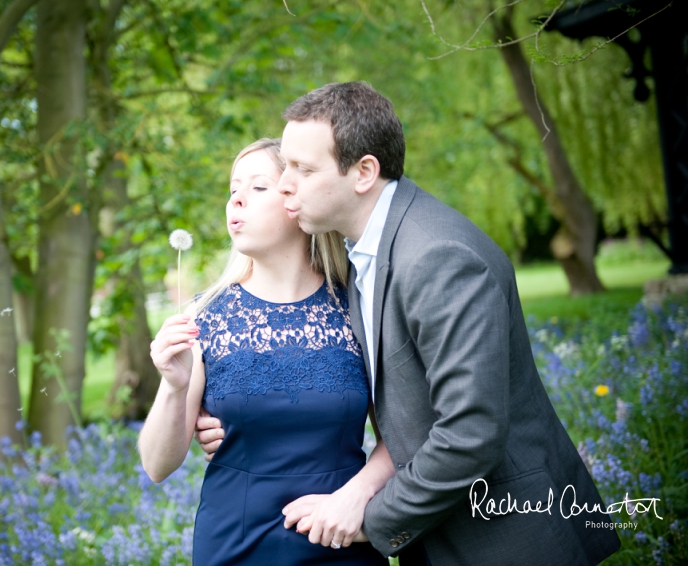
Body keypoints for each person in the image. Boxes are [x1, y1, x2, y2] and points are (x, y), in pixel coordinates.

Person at [196, 83, 622, 566]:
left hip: (499, 539)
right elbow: (405, 400)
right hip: (436, 536)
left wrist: (367, 517)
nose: (285, 183)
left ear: (364, 173)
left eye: (303, 169)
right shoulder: (364, 260)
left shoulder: (437, 257)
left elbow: (471, 432)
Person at [138, 138, 391, 565]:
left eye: (258, 187)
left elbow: (402, 435)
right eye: (232, 189)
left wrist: (355, 498)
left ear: (298, 201)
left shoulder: (359, 308)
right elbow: (157, 465)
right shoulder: (205, 316)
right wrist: (174, 385)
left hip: (342, 540)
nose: (236, 199)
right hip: (234, 547)